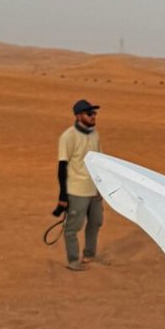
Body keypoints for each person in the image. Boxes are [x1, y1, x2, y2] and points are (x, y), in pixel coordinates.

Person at [55, 99, 103, 269]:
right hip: (77, 190)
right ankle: (74, 260)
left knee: (96, 222)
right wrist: (63, 196)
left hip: (94, 190)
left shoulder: (95, 134)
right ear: (78, 116)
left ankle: (89, 255)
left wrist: (101, 187)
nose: (93, 116)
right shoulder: (68, 137)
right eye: (89, 114)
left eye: (94, 113)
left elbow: (99, 162)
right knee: (73, 227)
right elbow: (62, 166)